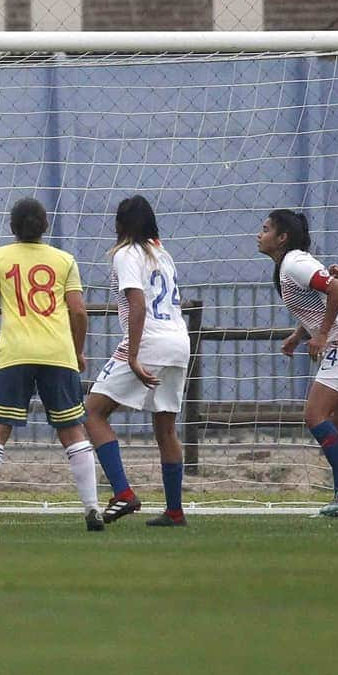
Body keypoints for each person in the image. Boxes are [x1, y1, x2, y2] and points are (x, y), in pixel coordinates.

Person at [0, 197, 102, 533]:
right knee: (72, 430)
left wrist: (1, 343)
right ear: (45, 226)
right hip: (57, 352)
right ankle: (92, 509)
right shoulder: (64, 260)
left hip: (16, 353)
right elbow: (79, 311)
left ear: (12, 227)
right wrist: (77, 350)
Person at [84, 195, 191, 527]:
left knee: (92, 412)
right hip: (178, 342)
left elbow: (138, 304)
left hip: (148, 342)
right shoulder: (164, 255)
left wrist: (131, 355)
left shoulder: (126, 254)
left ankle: (124, 493)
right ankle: (174, 511)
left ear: (119, 225)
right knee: (166, 428)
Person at [258, 210, 338, 517]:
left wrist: (323, 334)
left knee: (314, 415)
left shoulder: (295, 263)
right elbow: (315, 304)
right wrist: (299, 335)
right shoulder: (290, 265)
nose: (259, 235)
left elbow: (337, 290)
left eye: (265, 229)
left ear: (282, 237)